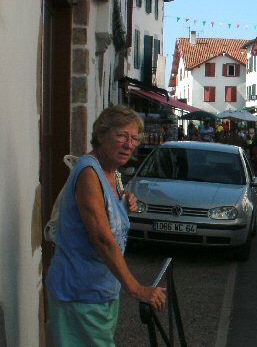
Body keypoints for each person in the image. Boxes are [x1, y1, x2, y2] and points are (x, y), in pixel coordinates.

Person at [46, 105, 166, 346]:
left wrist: (124, 202)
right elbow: (102, 238)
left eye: (134, 138)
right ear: (101, 134)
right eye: (121, 135)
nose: (129, 144)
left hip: (101, 293)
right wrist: (136, 288)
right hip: (80, 293)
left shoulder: (111, 173)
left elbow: (109, 215)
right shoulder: (89, 172)